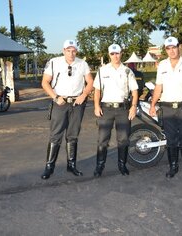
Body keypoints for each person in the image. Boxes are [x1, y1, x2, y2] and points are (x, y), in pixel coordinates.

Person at [149, 36, 182, 181]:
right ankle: (173, 167)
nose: (172, 51)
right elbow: (158, 86)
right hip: (167, 109)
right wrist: (153, 104)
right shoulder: (162, 65)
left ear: (178, 47)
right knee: (171, 140)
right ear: (165, 50)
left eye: (174, 47)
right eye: (168, 48)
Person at [40, 39, 93, 179]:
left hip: (77, 103)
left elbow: (90, 82)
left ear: (77, 51)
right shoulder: (54, 62)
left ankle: (72, 165)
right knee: (55, 135)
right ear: (63, 50)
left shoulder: (82, 64)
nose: (71, 53)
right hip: (60, 102)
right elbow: (45, 82)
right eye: (68, 50)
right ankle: (49, 167)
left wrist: (84, 94)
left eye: (73, 50)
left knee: (73, 135)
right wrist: (55, 97)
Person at [93, 44, 139, 177]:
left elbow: (134, 91)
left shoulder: (127, 71)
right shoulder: (102, 71)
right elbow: (97, 90)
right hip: (106, 109)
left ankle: (122, 165)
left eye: (117, 53)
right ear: (109, 55)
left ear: (121, 53)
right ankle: (99, 166)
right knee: (102, 139)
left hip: (123, 109)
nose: (115, 56)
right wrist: (96, 106)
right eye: (112, 54)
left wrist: (133, 106)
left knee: (123, 139)